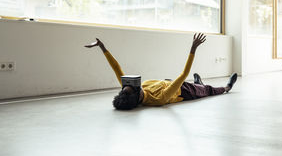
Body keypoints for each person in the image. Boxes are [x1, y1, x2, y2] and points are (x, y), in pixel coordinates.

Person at [84, 33, 238, 110]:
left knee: (186, 83)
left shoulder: (130, 89)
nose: (135, 83)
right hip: (184, 91)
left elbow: (116, 68)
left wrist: (102, 47)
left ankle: (199, 83)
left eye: (128, 84)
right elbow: (183, 75)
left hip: (168, 82)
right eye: (134, 86)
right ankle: (227, 87)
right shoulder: (160, 99)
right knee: (207, 90)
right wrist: (193, 49)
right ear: (137, 95)